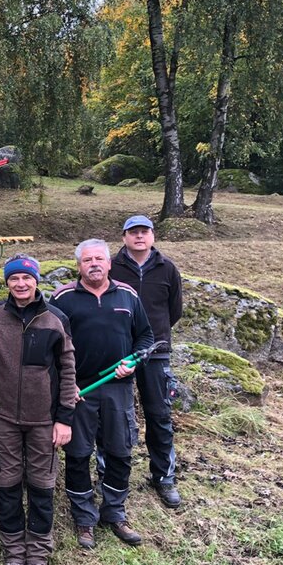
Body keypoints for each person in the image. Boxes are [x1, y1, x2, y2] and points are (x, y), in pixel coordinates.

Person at [0, 254, 76, 565]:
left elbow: (68, 369)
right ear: (8, 282)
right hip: (3, 417)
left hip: (45, 419)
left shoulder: (56, 319)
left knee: (42, 485)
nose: (21, 284)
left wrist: (64, 418)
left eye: (26, 278)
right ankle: (14, 554)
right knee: (8, 484)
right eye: (14, 279)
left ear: (36, 281)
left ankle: (37, 556)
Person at [51, 239, 153, 548]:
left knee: (120, 452)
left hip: (118, 389)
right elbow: (51, 346)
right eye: (87, 260)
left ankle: (115, 512)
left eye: (99, 258)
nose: (94, 264)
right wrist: (66, 386)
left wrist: (133, 362)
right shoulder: (63, 298)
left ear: (109, 263)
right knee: (79, 454)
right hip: (79, 389)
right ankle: (84, 519)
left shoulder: (128, 295)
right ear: (78, 266)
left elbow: (145, 336)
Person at [110, 214, 183, 508]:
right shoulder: (112, 267)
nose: (139, 236)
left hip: (156, 352)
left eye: (144, 231)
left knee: (159, 416)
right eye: (133, 232)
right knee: (114, 416)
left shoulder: (168, 269)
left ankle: (164, 477)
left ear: (152, 235)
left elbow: (174, 310)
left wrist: (155, 335)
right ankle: (113, 477)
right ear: (124, 237)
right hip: (118, 351)